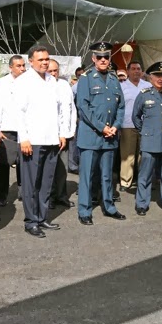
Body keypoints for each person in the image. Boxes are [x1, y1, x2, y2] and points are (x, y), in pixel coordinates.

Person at [14, 47, 71, 238]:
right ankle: (31, 221)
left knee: (46, 182)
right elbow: (19, 113)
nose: (45, 63)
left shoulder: (52, 81)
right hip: (33, 140)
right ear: (31, 61)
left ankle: (42, 217)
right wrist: (24, 138)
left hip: (51, 139)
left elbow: (59, 111)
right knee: (32, 183)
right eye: (40, 60)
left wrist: (62, 134)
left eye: (47, 59)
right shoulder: (23, 82)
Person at [76, 41, 126, 225]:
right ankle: (84, 210)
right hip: (91, 135)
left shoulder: (114, 79)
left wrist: (116, 125)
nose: (103, 60)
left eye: (106, 57)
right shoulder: (86, 78)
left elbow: (121, 105)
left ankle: (109, 207)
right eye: (100, 57)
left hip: (110, 136)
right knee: (88, 175)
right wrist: (101, 127)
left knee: (107, 175)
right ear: (93, 58)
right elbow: (83, 107)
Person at [132, 62, 162, 216]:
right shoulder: (144, 94)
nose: (160, 78)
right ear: (151, 77)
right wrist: (146, 131)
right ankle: (142, 204)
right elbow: (136, 117)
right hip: (150, 141)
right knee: (145, 174)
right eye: (157, 75)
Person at [0, 54, 26, 206]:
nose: (22, 69)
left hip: (25, 129)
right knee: (3, 164)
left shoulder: (29, 82)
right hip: (7, 129)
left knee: (24, 162)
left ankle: (23, 192)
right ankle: (2, 196)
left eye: (23, 65)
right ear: (11, 67)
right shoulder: (2, 83)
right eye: (18, 66)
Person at [47, 58, 77, 210]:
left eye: (55, 70)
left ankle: (61, 196)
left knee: (62, 168)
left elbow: (70, 109)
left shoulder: (65, 85)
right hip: (49, 135)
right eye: (50, 71)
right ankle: (50, 197)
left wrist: (70, 131)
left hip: (64, 134)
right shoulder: (44, 86)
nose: (53, 73)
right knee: (50, 168)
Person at [119, 61, 151, 191]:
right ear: (127, 71)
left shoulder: (148, 86)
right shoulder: (121, 86)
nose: (136, 71)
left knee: (143, 155)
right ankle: (125, 181)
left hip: (145, 125)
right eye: (133, 69)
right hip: (127, 124)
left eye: (138, 69)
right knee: (128, 155)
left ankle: (142, 180)